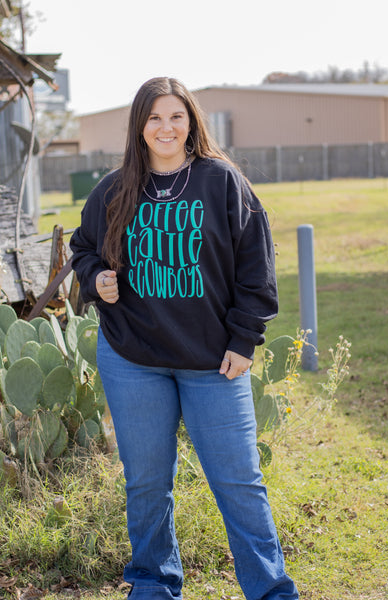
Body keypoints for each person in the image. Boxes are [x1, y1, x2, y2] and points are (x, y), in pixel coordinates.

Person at [70, 76, 299, 600]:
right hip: (133, 359)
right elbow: (83, 247)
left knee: (239, 483)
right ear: (139, 127)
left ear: (192, 121)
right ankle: (152, 585)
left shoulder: (221, 182)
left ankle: (271, 591)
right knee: (147, 484)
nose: (165, 127)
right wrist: (96, 277)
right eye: (154, 117)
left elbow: (256, 268)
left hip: (213, 363)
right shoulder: (113, 188)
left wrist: (244, 341)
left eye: (176, 116)